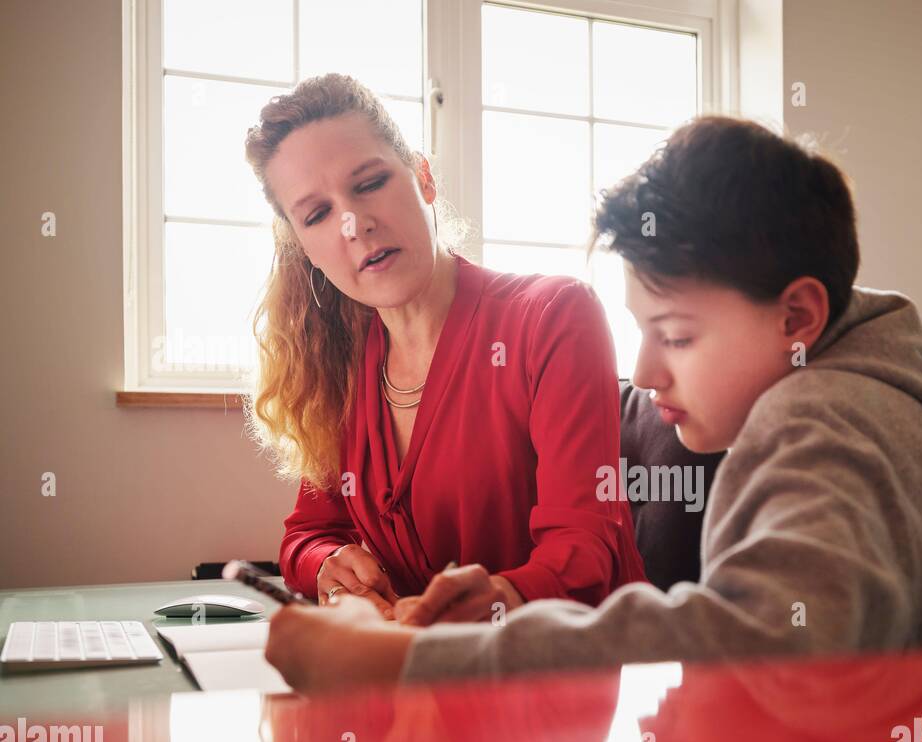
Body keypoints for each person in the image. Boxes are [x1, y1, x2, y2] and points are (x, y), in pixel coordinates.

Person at [264, 115, 922, 693]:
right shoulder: (878, 383)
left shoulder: (818, 425)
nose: (641, 373)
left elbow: (767, 636)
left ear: (798, 318)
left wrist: (414, 662)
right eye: (318, 213)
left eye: (673, 335)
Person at [243, 73, 645, 623]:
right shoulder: (342, 364)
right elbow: (308, 533)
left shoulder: (553, 315)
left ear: (424, 177)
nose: (355, 224)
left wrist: (496, 600)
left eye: (369, 183)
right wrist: (329, 563)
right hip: (420, 686)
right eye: (317, 215)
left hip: (574, 671)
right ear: (305, 247)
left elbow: (583, 552)